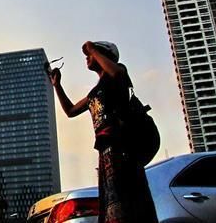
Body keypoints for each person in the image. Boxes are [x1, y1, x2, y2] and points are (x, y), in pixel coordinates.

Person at [49, 41, 158, 223]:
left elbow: (116, 73)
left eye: (91, 54)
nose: (87, 57)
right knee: (111, 198)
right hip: (106, 149)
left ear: (105, 55)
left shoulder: (118, 73)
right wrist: (57, 85)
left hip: (123, 145)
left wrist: (92, 47)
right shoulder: (95, 91)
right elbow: (70, 111)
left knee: (130, 197)